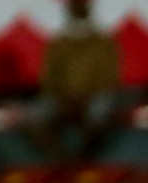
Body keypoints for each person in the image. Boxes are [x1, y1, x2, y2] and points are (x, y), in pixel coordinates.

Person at [30, 0, 120, 164]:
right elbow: (48, 79)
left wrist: (84, 98)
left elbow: (109, 78)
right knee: (35, 115)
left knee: (100, 113)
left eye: (81, 6)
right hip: (62, 98)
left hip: (93, 96)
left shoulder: (102, 42)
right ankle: (60, 159)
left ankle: (84, 160)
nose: (78, 10)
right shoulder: (59, 43)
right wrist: (63, 99)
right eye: (75, 7)